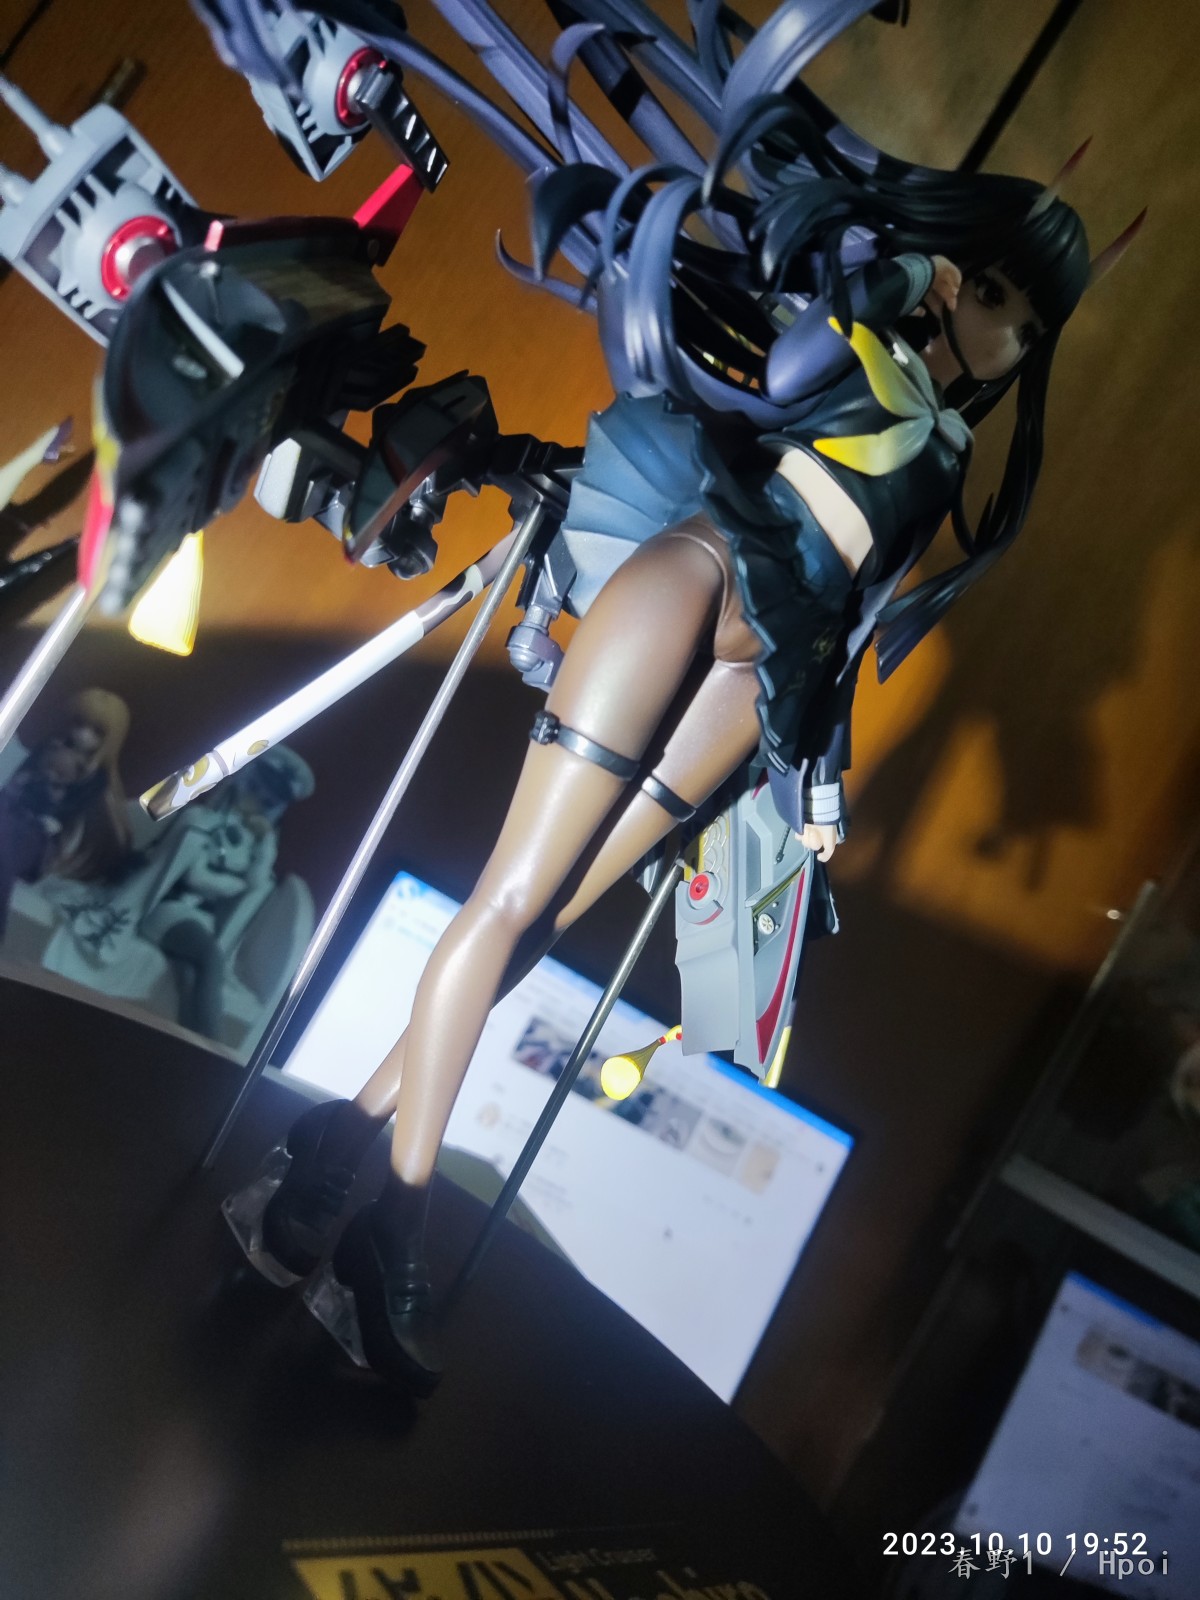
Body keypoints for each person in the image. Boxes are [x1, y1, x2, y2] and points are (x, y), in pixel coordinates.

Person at [212, 0, 1134, 1392]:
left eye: (1028, 316)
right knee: (508, 901)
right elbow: (783, 417)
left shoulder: (949, 445)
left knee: (546, 925)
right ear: (953, 271)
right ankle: (389, 1222)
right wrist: (884, 277)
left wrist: (817, 774)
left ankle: (328, 1164)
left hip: (760, 673)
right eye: (993, 288)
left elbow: (842, 619)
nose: (1001, 324)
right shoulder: (862, 350)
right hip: (688, 588)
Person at [0, 688, 131, 940]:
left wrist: (51, 814)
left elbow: (75, 823)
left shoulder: (95, 780)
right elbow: (16, 782)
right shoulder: (48, 748)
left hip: (40, 840)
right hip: (15, 818)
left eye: (96, 731)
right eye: (79, 723)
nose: (83, 734)